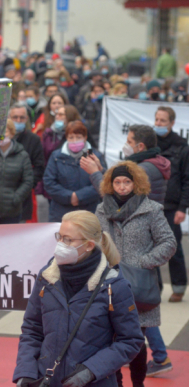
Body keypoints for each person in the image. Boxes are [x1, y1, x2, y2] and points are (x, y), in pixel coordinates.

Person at [13, 211, 144, 387]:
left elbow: (130, 340)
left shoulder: (115, 285)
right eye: (59, 237)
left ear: (89, 245)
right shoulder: (47, 277)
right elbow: (32, 329)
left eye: (68, 240)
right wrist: (26, 372)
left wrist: (90, 371)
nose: (60, 244)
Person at [95, 162, 177, 386]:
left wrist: (143, 262)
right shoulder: (102, 210)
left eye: (127, 182)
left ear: (135, 183)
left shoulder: (151, 209)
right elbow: (95, 242)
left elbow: (169, 242)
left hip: (138, 286)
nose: (122, 186)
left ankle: (138, 383)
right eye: (118, 182)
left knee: (135, 341)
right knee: (109, 340)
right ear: (111, 184)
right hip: (108, 283)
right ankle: (117, 382)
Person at [153, 107, 189, 303]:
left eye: (162, 121)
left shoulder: (182, 147)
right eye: (156, 120)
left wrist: (182, 208)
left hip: (172, 207)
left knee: (173, 249)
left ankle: (179, 287)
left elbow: (187, 180)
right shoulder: (150, 146)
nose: (158, 124)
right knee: (150, 250)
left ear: (172, 123)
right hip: (151, 205)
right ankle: (154, 289)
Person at [44, 121, 106, 222]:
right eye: (71, 137)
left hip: (89, 211)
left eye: (78, 137)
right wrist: (69, 197)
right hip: (60, 212)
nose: (75, 141)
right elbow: (49, 182)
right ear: (66, 138)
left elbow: (101, 182)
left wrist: (79, 196)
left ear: (85, 138)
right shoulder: (56, 156)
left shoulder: (94, 156)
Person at [0, 119, 33, 224]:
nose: (2, 135)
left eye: (5, 131)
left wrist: (16, 198)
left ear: (12, 134)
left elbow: (28, 181)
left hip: (12, 211)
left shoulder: (22, 155)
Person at [8, 103, 46, 221]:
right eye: (15, 117)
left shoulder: (33, 139)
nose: (18, 120)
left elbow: (39, 167)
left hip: (23, 197)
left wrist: (26, 186)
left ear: (26, 119)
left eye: (22, 117)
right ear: (9, 118)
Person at [81, 82, 105, 149]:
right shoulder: (88, 101)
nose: (98, 93)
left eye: (100, 91)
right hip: (90, 129)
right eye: (95, 91)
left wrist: (95, 102)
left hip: (100, 131)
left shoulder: (105, 101)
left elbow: (100, 113)